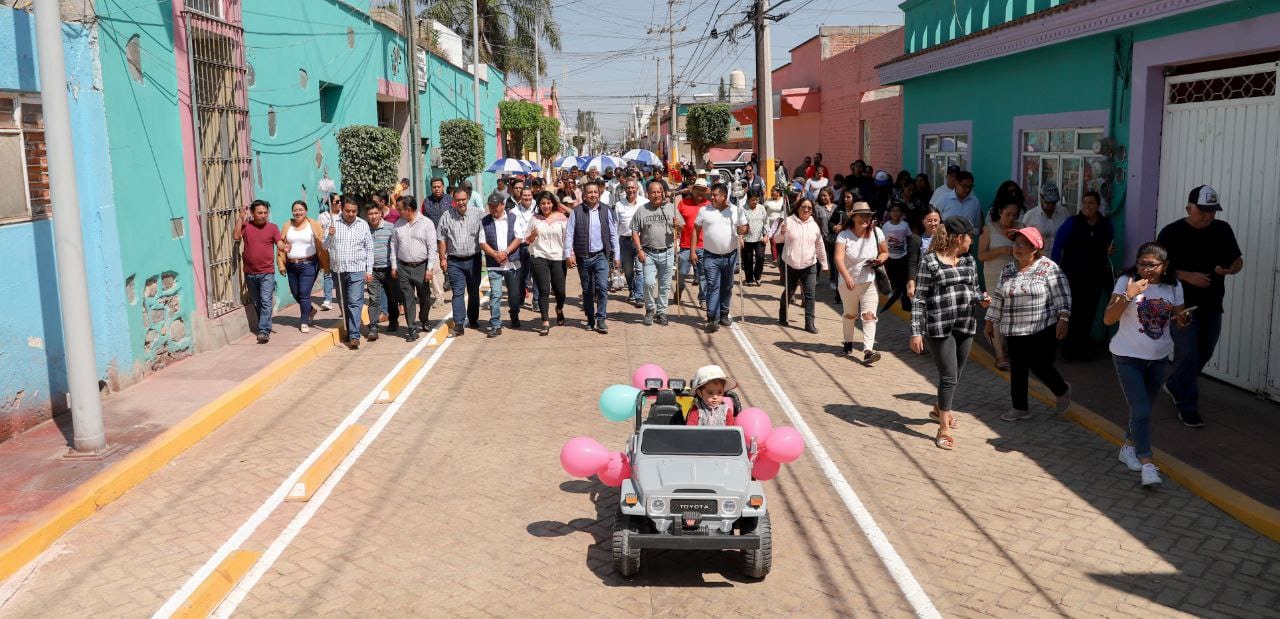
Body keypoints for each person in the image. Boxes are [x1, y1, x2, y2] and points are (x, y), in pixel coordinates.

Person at [1157, 185, 1244, 428]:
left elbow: (1237, 261)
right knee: (1188, 354)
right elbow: (1155, 267)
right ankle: (1187, 407)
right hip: (1179, 306)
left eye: (1213, 211)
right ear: (1189, 208)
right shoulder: (1171, 233)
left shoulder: (1222, 230)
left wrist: (1230, 269)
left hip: (1212, 304)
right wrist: (1186, 275)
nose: (1208, 216)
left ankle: (1175, 385)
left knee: (1204, 353)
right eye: (1203, 211)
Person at [1104, 242, 1188, 488]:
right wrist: (1129, 295)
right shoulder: (1126, 281)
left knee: (1143, 410)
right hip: (1127, 356)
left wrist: (1182, 318)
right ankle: (1148, 463)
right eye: (1142, 264)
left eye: (1152, 265)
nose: (1146, 270)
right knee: (1140, 410)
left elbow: (1178, 315)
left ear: (1165, 266)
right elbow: (1108, 318)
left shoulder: (1174, 286)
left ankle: (1128, 447)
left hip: (1159, 358)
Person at [910, 216, 989, 450]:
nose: (971, 242)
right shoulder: (930, 262)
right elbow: (919, 299)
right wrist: (916, 332)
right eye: (969, 237)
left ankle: (937, 409)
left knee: (955, 376)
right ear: (957, 237)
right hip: (939, 328)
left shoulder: (968, 262)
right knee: (948, 376)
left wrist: (982, 299)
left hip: (964, 325)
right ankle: (943, 428)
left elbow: (974, 291)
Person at [984, 226, 1073, 422]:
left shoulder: (1049, 268)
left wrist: (1064, 318)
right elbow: (998, 296)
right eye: (1016, 243)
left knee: (1041, 366)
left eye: (1023, 244)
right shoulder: (1008, 269)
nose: (1017, 248)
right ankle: (1020, 407)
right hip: (1014, 328)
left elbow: (1063, 294)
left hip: (1042, 327)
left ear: (1035, 248)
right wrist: (990, 320)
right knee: (1018, 368)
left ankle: (1062, 389)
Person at [1052, 190, 1115, 361]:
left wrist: (1110, 250)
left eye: (1091, 203)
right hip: (1072, 276)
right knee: (1072, 313)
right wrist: (1055, 270)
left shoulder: (1105, 224)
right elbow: (1058, 245)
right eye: (1085, 203)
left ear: (1098, 206)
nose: (1087, 206)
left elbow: (1110, 244)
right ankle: (1068, 350)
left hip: (1095, 276)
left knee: (1089, 313)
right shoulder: (1072, 223)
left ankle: (1082, 349)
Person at [689, 183, 748, 333]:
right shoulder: (704, 210)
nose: (712, 198)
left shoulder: (736, 210)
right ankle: (711, 318)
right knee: (713, 286)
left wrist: (744, 229)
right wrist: (693, 251)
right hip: (710, 256)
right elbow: (695, 231)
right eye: (712, 195)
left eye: (715, 195)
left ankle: (723, 314)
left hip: (730, 256)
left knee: (727, 286)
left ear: (724, 196)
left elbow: (745, 227)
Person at [834, 202, 889, 363]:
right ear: (853, 217)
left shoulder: (877, 232)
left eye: (868, 215)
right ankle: (848, 341)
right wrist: (846, 276)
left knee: (869, 316)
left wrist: (879, 260)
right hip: (848, 283)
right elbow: (838, 258)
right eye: (862, 215)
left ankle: (868, 350)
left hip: (869, 281)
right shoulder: (844, 235)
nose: (865, 219)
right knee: (850, 314)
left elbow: (885, 252)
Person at [565, 180, 621, 333]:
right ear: (584, 195)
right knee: (587, 289)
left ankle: (601, 318)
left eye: (595, 192)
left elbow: (613, 234)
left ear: (599, 193)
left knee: (602, 287)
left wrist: (617, 254)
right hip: (583, 257)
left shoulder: (606, 210)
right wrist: (569, 254)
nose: (593, 195)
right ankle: (590, 318)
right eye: (590, 192)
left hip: (601, 255)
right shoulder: (577, 211)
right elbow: (569, 234)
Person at [325, 195, 374, 349]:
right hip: (339, 270)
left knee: (354, 302)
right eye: (348, 211)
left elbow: (369, 248)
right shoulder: (332, 224)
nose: (351, 214)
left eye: (354, 211)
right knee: (343, 302)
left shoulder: (363, 225)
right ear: (342, 209)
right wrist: (330, 235)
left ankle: (354, 335)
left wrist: (369, 270)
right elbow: (325, 246)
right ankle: (348, 328)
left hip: (357, 269)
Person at [977, 199, 1021, 371]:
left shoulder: (1020, 228)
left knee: (1013, 314)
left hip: (1016, 276)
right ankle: (999, 355)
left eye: (1014, 215)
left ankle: (1009, 348)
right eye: (1008, 214)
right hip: (994, 274)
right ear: (1000, 212)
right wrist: (1002, 251)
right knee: (996, 313)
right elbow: (981, 256)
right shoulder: (989, 229)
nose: (1011, 218)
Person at [437, 187, 485, 337]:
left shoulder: (478, 214)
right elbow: (441, 238)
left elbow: (485, 234)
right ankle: (458, 324)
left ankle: (473, 318)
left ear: (468, 199)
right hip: (454, 261)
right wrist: (442, 258)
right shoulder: (446, 216)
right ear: (454, 201)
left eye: (463, 199)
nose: (461, 202)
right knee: (457, 292)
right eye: (458, 200)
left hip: (474, 259)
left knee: (473, 291)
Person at [235, 199, 284, 344]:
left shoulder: (273, 228)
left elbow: (279, 243)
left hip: (267, 272)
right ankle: (264, 324)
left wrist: (284, 248)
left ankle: (264, 330)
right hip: (250, 272)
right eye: (260, 213)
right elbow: (236, 236)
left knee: (266, 300)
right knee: (257, 302)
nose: (263, 215)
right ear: (252, 213)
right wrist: (240, 218)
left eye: (265, 213)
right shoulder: (246, 226)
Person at [391, 195, 438, 342]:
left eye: (400, 209)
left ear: (409, 209)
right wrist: (394, 265)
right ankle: (412, 328)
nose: (397, 211)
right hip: (403, 267)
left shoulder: (427, 224)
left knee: (424, 296)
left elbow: (432, 248)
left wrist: (429, 268)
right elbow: (393, 246)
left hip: (422, 267)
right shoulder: (398, 224)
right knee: (407, 298)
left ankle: (424, 319)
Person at [778, 197, 828, 333]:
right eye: (803, 207)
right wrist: (782, 232)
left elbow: (819, 245)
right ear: (798, 207)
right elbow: (777, 239)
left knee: (810, 294)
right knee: (789, 292)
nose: (806, 210)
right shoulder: (788, 221)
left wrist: (824, 263)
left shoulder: (814, 225)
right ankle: (782, 316)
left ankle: (809, 323)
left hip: (809, 265)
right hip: (790, 263)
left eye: (809, 208)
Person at [632, 179, 678, 326]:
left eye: (659, 192)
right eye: (653, 192)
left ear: (663, 193)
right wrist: (639, 250)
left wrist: (679, 225)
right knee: (648, 283)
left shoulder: (671, 208)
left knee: (665, 285)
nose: (656, 195)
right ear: (648, 194)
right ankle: (650, 309)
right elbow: (634, 231)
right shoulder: (642, 210)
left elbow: (682, 228)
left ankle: (662, 312)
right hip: (648, 253)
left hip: (667, 252)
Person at [277, 200, 327, 334]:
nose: (298, 212)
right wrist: (281, 264)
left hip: (309, 264)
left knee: (304, 293)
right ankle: (310, 310)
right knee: (296, 293)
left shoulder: (313, 225)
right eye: (295, 210)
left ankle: (304, 321)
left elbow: (322, 242)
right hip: (291, 265)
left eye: (300, 210)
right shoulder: (287, 225)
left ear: (306, 211)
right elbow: (280, 245)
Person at [479, 192, 523, 337]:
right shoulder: (484, 221)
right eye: (490, 206)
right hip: (494, 264)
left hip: (511, 263)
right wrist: (496, 254)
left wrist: (506, 253)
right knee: (496, 294)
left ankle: (514, 314)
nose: (493, 209)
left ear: (502, 205)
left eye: (495, 206)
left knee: (514, 295)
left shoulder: (513, 218)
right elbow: (482, 243)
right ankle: (495, 324)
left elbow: (518, 238)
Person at [527, 192, 569, 335]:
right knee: (544, 290)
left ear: (553, 203)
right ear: (538, 205)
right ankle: (545, 320)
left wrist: (570, 254)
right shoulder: (534, 219)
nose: (546, 206)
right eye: (543, 203)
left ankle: (559, 309)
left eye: (548, 203)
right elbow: (527, 240)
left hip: (558, 257)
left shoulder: (562, 218)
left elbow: (568, 239)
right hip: (540, 256)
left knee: (560, 291)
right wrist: (531, 236)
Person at [365, 202, 400, 341]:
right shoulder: (365, 230)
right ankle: (373, 327)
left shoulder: (390, 228)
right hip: (372, 270)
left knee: (392, 298)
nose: (373, 216)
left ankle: (393, 320)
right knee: (374, 300)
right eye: (370, 214)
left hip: (389, 270)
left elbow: (395, 248)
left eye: (375, 213)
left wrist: (395, 267)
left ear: (380, 213)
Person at [613, 179, 648, 308]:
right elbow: (615, 226)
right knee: (628, 270)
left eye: (633, 188)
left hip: (640, 241)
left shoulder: (645, 203)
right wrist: (615, 248)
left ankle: (639, 296)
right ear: (625, 189)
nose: (631, 190)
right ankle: (632, 290)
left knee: (640, 269)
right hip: (625, 241)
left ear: (637, 188)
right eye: (628, 188)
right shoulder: (619, 205)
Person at [677, 178, 711, 308]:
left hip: (704, 245)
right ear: (693, 190)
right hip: (685, 244)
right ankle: (679, 289)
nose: (700, 193)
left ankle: (703, 298)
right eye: (697, 190)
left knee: (703, 274)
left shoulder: (709, 205)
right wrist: (677, 225)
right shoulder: (682, 204)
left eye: (703, 190)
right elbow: (676, 220)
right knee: (682, 272)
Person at [1021, 182, 1069, 258]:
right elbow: (1023, 241)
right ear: (1041, 198)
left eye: (1053, 202)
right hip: (1039, 261)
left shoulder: (1064, 212)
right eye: (1048, 202)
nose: (1051, 205)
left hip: (1060, 260)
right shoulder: (1030, 216)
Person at [906, 207, 942, 306]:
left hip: (942, 282)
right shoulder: (917, 239)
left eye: (936, 220)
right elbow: (912, 263)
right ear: (923, 222)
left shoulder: (947, 239)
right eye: (929, 221)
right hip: (923, 283)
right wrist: (911, 285)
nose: (933, 223)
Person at [879, 202, 912, 313]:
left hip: (902, 256)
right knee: (892, 276)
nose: (895, 213)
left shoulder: (904, 225)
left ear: (901, 213)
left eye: (897, 211)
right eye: (893, 211)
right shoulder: (886, 226)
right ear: (890, 213)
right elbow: (882, 240)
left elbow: (909, 237)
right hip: (890, 256)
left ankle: (904, 299)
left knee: (902, 278)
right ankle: (893, 290)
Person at [317, 193, 343, 311]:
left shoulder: (343, 215)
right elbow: (320, 231)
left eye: (340, 201)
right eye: (337, 201)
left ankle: (342, 298)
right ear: (330, 203)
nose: (340, 203)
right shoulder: (324, 216)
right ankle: (327, 299)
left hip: (341, 248)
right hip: (327, 247)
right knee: (327, 273)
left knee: (340, 275)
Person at [740, 189, 768, 287]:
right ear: (748, 199)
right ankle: (749, 279)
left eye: (757, 200)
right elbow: (739, 224)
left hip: (759, 238)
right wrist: (741, 237)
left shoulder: (761, 208)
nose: (755, 202)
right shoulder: (742, 209)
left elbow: (766, 222)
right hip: (747, 239)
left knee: (760, 258)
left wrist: (766, 235)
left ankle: (758, 276)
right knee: (748, 260)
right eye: (753, 200)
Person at [813, 187, 837, 290]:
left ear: (830, 196)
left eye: (825, 195)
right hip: (820, 238)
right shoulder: (817, 208)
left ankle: (833, 280)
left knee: (832, 260)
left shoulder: (836, 208)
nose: (823, 197)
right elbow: (815, 222)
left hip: (833, 239)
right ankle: (815, 277)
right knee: (818, 259)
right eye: (821, 195)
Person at [764, 185, 787, 263]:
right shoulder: (767, 202)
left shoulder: (783, 201)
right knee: (773, 241)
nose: (771, 192)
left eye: (773, 191)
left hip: (780, 224)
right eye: (771, 191)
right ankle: (775, 258)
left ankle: (781, 257)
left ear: (778, 193)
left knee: (780, 241)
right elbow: (764, 212)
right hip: (770, 224)